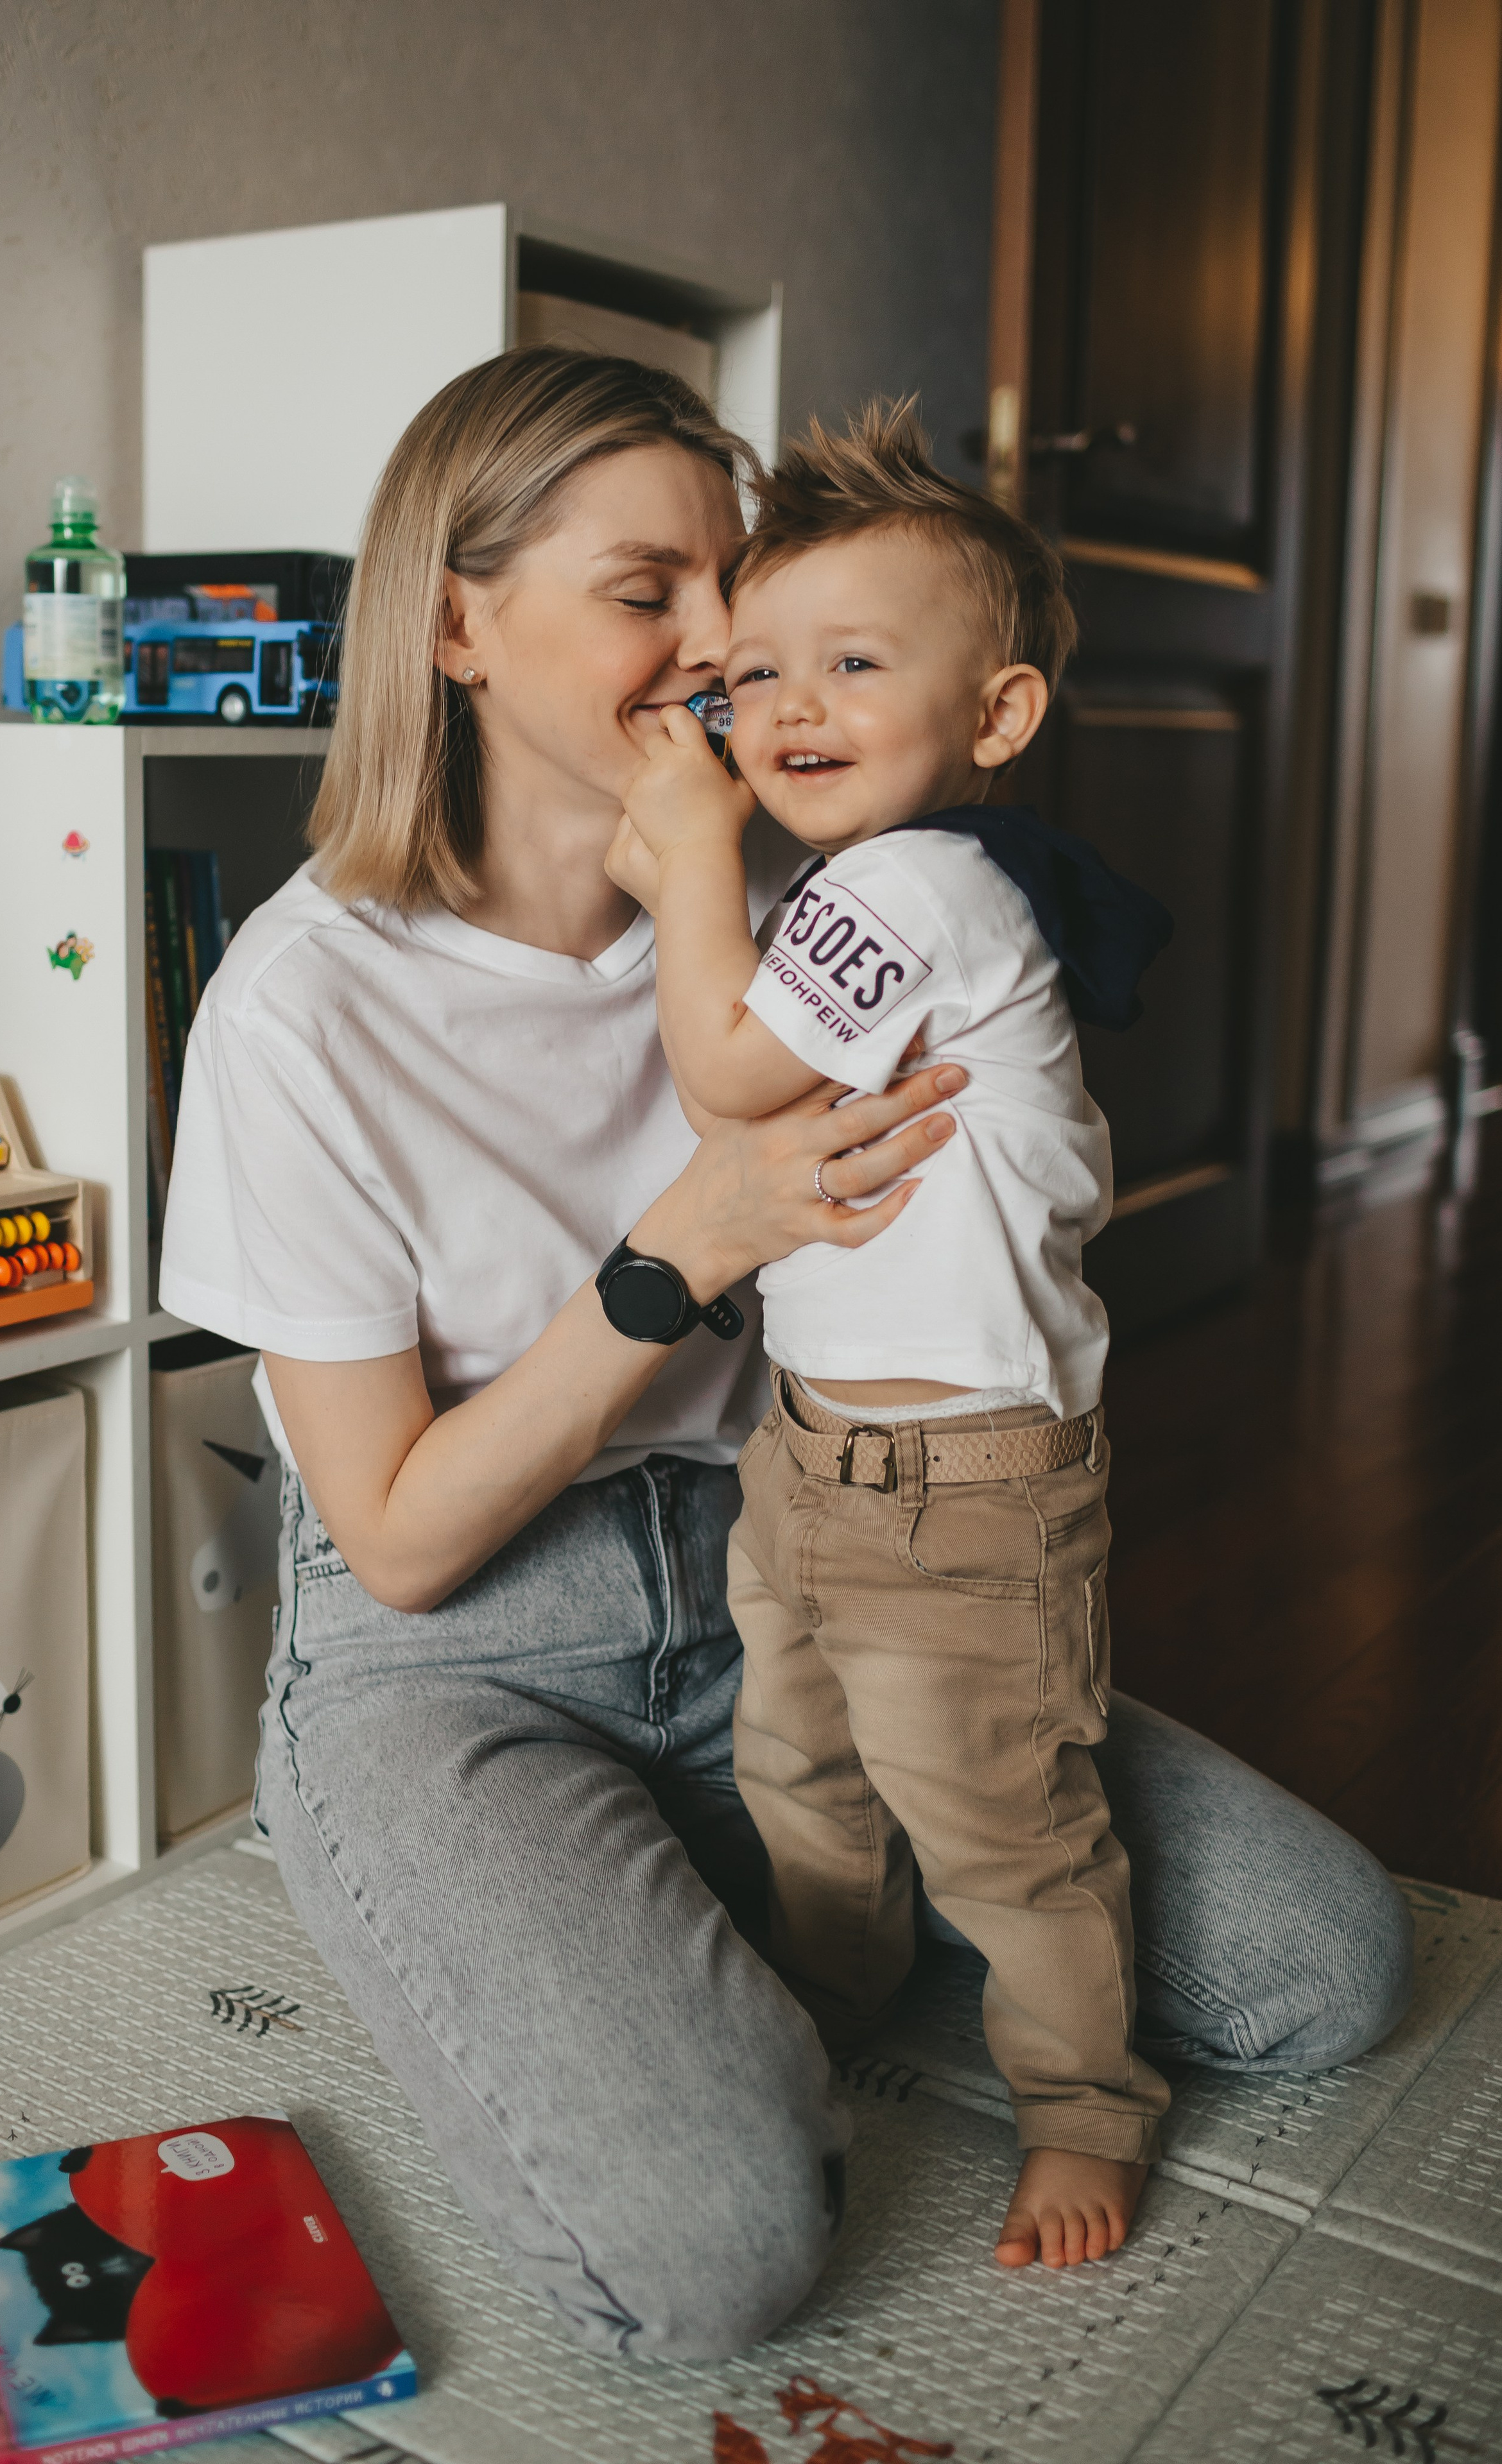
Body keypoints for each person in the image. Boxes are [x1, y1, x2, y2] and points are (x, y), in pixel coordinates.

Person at [160, 346, 1414, 2360]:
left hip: (796, 1561)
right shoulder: (300, 1009)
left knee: (1324, 1969)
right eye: (650, 590)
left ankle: (786, 1896)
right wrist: (688, 1247)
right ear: (460, 623)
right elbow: (395, 1541)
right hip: (467, 1642)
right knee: (715, 2250)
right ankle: (593, 1917)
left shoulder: (815, 910)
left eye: (731, 590)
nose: (725, 652)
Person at [610, 399, 1181, 2271]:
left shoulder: (910, 886)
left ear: (995, 716)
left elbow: (722, 1079)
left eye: (856, 664)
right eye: (757, 671)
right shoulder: (860, 889)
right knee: (805, 1773)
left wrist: (690, 850)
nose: (787, 708)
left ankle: (1086, 2104)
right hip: (815, 1453)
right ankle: (842, 2004)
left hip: (962, 1492)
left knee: (1007, 1826)